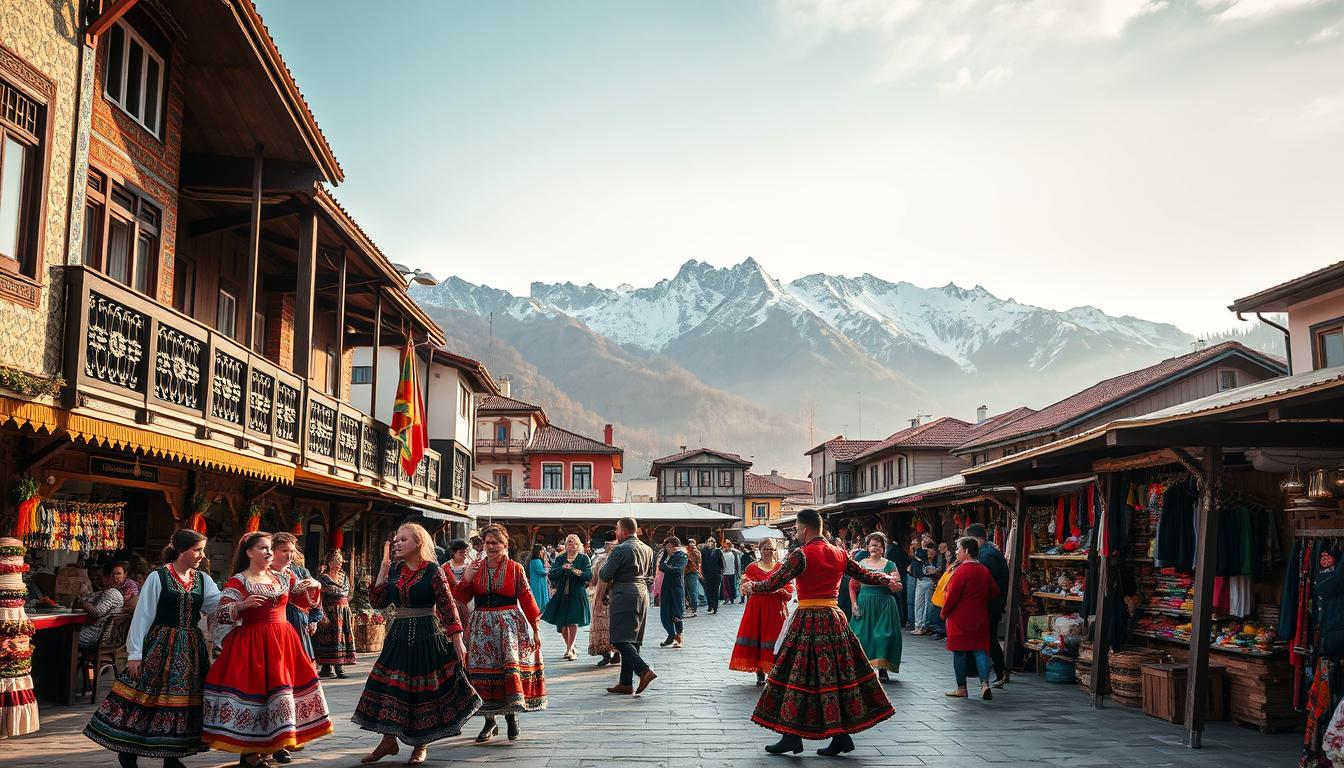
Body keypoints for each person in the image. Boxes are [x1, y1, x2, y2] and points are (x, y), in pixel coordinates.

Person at [741, 509, 899, 757]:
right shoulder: (839, 553)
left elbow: (774, 581)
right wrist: (884, 578)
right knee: (835, 677)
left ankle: (793, 736)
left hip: (807, 620)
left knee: (795, 676)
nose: (795, 532)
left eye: (796, 527)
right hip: (834, 619)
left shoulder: (800, 555)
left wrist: (752, 586)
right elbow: (862, 574)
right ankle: (839, 737)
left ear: (805, 529)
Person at [85, 530, 221, 768]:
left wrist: (240, 600)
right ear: (181, 550)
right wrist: (135, 654)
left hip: (190, 648)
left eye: (202, 549)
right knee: (146, 698)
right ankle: (128, 751)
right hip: (159, 645)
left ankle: (172, 755)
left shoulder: (203, 580)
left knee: (182, 701)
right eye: (197, 549)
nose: (201, 555)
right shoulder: (159, 577)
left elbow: (216, 606)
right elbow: (143, 616)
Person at [353, 524, 481, 765]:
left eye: (404, 539)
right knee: (390, 687)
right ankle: (388, 740)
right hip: (398, 635)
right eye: (396, 539)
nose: (398, 543)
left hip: (425, 634)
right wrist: (383, 569)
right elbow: (379, 602)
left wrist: (457, 639)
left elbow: (446, 604)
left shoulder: (433, 570)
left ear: (418, 543)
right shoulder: (395, 569)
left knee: (423, 690)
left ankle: (421, 744)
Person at [201, 532, 331, 764]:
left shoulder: (282, 577)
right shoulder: (239, 580)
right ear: (249, 552)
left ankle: (274, 746)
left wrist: (314, 585)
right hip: (252, 644)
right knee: (255, 695)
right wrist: (242, 605)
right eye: (263, 548)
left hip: (283, 641)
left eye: (270, 548)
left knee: (280, 694)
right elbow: (222, 613)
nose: (269, 552)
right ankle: (249, 754)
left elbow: (303, 602)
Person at [453, 524, 547, 742]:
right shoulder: (475, 567)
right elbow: (461, 598)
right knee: (483, 674)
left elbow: (527, 598)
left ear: (505, 545)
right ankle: (489, 721)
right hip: (481, 627)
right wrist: (466, 578)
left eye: (495, 543)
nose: (491, 546)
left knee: (506, 671)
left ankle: (511, 717)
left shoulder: (515, 569)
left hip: (509, 627)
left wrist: (535, 628)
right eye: (487, 543)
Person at [599, 517, 656, 695]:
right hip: (641, 592)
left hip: (624, 593)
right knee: (632, 638)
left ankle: (643, 670)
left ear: (623, 531)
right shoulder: (647, 549)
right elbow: (650, 574)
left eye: (616, 530)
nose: (615, 534)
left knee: (618, 639)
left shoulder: (620, 549)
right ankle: (625, 683)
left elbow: (605, 574)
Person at [941, 536, 1001, 701]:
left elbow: (952, 597)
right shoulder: (983, 570)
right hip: (980, 616)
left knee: (959, 653)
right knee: (981, 651)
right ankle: (984, 684)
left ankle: (962, 688)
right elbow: (994, 591)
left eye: (958, 549)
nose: (956, 552)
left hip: (959, 619)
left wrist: (944, 613)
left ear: (967, 551)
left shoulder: (960, 571)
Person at [729, 537, 794, 685]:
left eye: (772, 549)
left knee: (776, 639)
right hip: (756, 609)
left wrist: (779, 590)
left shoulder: (781, 567)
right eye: (766, 548)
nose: (769, 552)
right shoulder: (751, 568)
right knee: (758, 637)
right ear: (760, 549)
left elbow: (789, 591)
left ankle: (775, 672)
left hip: (776, 609)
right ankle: (760, 672)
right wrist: (748, 586)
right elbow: (744, 587)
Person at [848, 532, 903, 681]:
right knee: (860, 634)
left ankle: (882, 668)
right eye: (872, 544)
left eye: (878, 545)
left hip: (885, 603)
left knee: (884, 635)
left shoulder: (890, 565)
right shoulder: (861, 565)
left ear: (883, 548)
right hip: (865, 602)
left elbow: (898, 586)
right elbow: (853, 586)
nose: (875, 547)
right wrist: (854, 603)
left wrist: (891, 583)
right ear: (867, 547)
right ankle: (862, 667)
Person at [965, 523, 1010, 687]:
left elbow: (982, 582)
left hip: (991, 604)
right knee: (987, 638)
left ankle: (999, 671)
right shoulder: (988, 552)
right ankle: (995, 672)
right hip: (993, 602)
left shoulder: (987, 555)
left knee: (988, 638)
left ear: (978, 539)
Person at [539, 533, 591, 659]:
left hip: (577, 593)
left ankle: (570, 649)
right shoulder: (560, 558)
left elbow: (588, 576)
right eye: (569, 542)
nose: (572, 545)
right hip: (561, 594)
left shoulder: (584, 559)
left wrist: (573, 570)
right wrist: (563, 568)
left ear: (579, 545)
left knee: (573, 621)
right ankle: (570, 648)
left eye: (574, 542)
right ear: (565, 545)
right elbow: (552, 574)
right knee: (562, 625)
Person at [314, 548, 357, 679]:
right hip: (330, 611)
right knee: (329, 638)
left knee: (342, 636)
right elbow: (321, 595)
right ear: (329, 562)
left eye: (340, 560)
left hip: (343, 611)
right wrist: (321, 614)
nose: (339, 563)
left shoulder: (344, 576)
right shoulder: (323, 578)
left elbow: (346, 592)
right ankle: (329, 666)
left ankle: (336, 666)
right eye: (336, 560)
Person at [77, 564, 126, 657]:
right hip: (98, 636)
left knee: (63, 636)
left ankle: (67, 669)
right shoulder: (107, 592)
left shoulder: (112, 593)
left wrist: (82, 603)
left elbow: (97, 612)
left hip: (93, 637)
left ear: (106, 577)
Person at [586, 538, 619, 667]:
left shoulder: (606, 560)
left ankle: (614, 653)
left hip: (612, 594)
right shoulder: (600, 559)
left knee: (611, 624)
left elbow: (593, 580)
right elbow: (593, 580)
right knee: (604, 624)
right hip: (604, 595)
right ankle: (608, 653)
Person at [657, 537, 687, 647]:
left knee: (676, 612)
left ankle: (678, 637)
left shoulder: (682, 556)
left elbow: (677, 571)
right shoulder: (668, 557)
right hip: (666, 587)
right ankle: (670, 634)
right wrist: (665, 556)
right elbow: (661, 566)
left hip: (676, 587)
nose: (667, 549)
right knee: (665, 613)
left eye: (669, 546)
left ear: (674, 546)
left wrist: (666, 567)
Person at [444, 539, 474, 643]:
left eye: (466, 551)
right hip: (450, 606)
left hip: (469, 604)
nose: (464, 554)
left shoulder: (471, 567)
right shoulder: (444, 568)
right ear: (453, 553)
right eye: (461, 552)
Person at [701, 539, 723, 615]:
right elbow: (702, 563)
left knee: (715, 591)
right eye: (708, 542)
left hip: (716, 574)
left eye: (712, 542)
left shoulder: (718, 551)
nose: (710, 543)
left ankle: (715, 607)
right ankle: (710, 605)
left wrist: (720, 572)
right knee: (708, 591)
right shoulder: (703, 551)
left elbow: (721, 563)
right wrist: (702, 573)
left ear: (715, 543)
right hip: (707, 574)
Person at [527, 545, 551, 613]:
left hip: (536, 581)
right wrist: (548, 570)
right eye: (542, 550)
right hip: (538, 582)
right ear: (539, 551)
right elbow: (542, 572)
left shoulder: (533, 560)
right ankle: (539, 609)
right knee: (539, 596)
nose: (543, 552)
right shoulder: (537, 561)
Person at [684, 538, 704, 616]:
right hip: (690, 572)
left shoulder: (693, 552)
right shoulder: (695, 552)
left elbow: (699, 564)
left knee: (692, 591)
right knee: (691, 591)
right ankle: (692, 607)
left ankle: (693, 608)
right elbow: (700, 564)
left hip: (691, 572)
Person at [720, 539, 739, 605]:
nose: (725, 548)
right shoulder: (721, 553)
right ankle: (726, 599)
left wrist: (737, 571)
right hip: (724, 572)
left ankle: (732, 599)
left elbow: (737, 562)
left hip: (732, 571)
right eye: (724, 546)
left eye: (727, 546)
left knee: (731, 586)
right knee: (724, 587)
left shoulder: (734, 553)